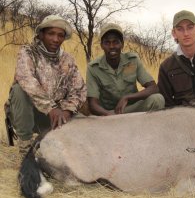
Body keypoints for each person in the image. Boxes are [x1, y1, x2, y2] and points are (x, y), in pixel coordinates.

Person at [5, 15, 87, 159]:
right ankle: (26, 148)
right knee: (19, 90)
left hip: (55, 116)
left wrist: (67, 111)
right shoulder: (28, 51)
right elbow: (27, 81)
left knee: (85, 126)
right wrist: (51, 108)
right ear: (41, 34)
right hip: (28, 114)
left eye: (60, 35)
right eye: (51, 34)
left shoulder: (68, 59)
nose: (56, 39)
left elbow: (79, 90)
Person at [86, 23, 165, 116]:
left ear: (122, 44)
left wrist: (128, 98)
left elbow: (153, 88)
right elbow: (93, 104)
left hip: (132, 110)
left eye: (116, 42)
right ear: (102, 45)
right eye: (107, 42)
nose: (112, 46)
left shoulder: (133, 61)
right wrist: (110, 116)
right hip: (110, 114)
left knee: (158, 99)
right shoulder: (93, 67)